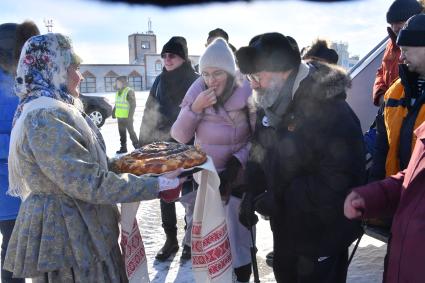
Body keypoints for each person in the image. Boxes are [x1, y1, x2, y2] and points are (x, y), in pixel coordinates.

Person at [3, 33, 185, 282]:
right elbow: (88, 182)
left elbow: (90, 164)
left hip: (83, 227)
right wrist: (157, 186)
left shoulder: (58, 108)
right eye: (72, 69)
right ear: (51, 69)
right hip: (71, 238)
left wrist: (135, 163)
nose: (80, 77)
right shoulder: (45, 117)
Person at [236, 32, 365, 283]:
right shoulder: (272, 102)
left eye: (256, 76)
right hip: (287, 231)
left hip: (323, 236)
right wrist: (250, 190)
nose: (252, 84)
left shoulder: (331, 110)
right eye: (249, 77)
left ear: (283, 71)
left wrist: (280, 199)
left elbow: (340, 182)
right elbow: (260, 149)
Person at [345, 14, 425, 283]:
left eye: (407, 49)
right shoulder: (395, 91)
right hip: (400, 203)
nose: (400, 57)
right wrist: (374, 193)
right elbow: (382, 144)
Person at [171, 38, 255, 283]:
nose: (211, 79)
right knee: (210, 234)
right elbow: (179, 135)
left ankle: (242, 275)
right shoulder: (197, 89)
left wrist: (238, 161)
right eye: (206, 73)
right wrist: (194, 109)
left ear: (229, 71)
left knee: (238, 237)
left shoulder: (246, 89)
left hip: (236, 178)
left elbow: (259, 137)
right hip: (206, 179)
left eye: (217, 73)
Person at [139, 36, 198, 261]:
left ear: (182, 57)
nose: (167, 59)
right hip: (163, 146)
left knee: (189, 195)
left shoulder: (195, 80)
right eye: (163, 56)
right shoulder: (159, 81)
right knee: (165, 192)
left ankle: (190, 239)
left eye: (171, 55)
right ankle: (171, 239)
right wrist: (144, 141)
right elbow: (149, 110)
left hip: (188, 146)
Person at [0, 21, 39, 283]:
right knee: (13, 253)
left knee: (29, 250)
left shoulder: (27, 79)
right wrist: (20, 143)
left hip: (31, 184)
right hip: (6, 187)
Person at [372, 0, 423, 106]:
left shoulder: (420, 44)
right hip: (390, 108)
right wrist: (381, 95)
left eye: (399, 21)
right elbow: (381, 71)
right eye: (392, 23)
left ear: (415, 19)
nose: (395, 27)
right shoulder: (390, 45)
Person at [113, 76, 138, 154]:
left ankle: (137, 147)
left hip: (127, 118)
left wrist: (130, 117)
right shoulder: (118, 92)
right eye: (116, 82)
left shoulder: (129, 91)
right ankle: (123, 148)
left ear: (123, 83)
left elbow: (133, 105)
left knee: (131, 133)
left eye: (118, 82)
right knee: (122, 133)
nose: (117, 84)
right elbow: (117, 103)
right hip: (120, 117)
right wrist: (114, 112)